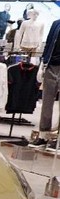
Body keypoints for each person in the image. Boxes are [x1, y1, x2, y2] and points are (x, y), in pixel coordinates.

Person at [30, 18, 60, 148]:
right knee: (47, 102)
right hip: (51, 65)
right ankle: (43, 135)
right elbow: (48, 43)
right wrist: (43, 61)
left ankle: (58, 139)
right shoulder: (56, 23)